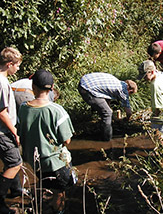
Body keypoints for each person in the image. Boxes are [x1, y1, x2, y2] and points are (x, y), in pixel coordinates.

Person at [17, 69, 76, 214]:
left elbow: (20, 132)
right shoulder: (57, 110)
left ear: (33, 87)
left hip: (34, 161)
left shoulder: (23, 108)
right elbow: (67, 140)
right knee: (59, 192)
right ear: (52, 87)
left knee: (46, 184)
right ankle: (58, 211)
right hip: (55, 163)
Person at [78, 72, 138, 141]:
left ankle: (102, 128)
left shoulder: (116, 82)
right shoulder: (123, 91)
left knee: (107, 111)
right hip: (87, 89)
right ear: (129, 90)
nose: (129, 95)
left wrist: (114, 118)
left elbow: (106, 101)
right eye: (131, 93)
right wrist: (126, 119)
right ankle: (107, 140)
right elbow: (129, 113)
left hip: (84, 81)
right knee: (107, 113)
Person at [0, 47, 23, 214]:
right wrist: (14, 131)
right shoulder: (2, 83)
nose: (19, 68)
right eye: (17, 65)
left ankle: (16, 191)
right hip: (3, 131)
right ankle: (0, 201)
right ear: (9, 64)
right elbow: (1, 112)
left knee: (13, 160)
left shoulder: (3, 81)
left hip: (4, 129)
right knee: (15, 163)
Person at [138, 60, 163, 133]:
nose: (144, 78)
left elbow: (158, 107)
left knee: (157, 134)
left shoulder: (154, 85)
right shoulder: (162, 75)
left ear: (152, 72)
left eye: (145, 76)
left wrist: (154, 118)